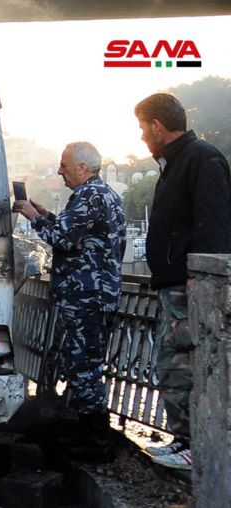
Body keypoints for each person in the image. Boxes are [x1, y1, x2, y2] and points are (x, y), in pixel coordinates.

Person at [134, 92, 231, 470]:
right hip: (175, 284)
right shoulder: (178, 162)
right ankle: (183, 440)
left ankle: (194, 445)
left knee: (183, 366)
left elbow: (215, 225)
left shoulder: (201, 159)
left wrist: (199, 281)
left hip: (189, 287)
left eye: (143, 127)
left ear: (157, 126)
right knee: (171, 365)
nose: (141, 135)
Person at [13, 141, 126, 463]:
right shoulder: (100, 195)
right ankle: (89, 435)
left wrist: (33, 217)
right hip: (92, 297)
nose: (60, 171)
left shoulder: (90, 196)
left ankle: (97, 443)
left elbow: (62, 239)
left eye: (64, 165)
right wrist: (46, 215)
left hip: (87, 299)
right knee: (82, 365)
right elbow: (72, 233)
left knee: (85, 369)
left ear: (82, 168)